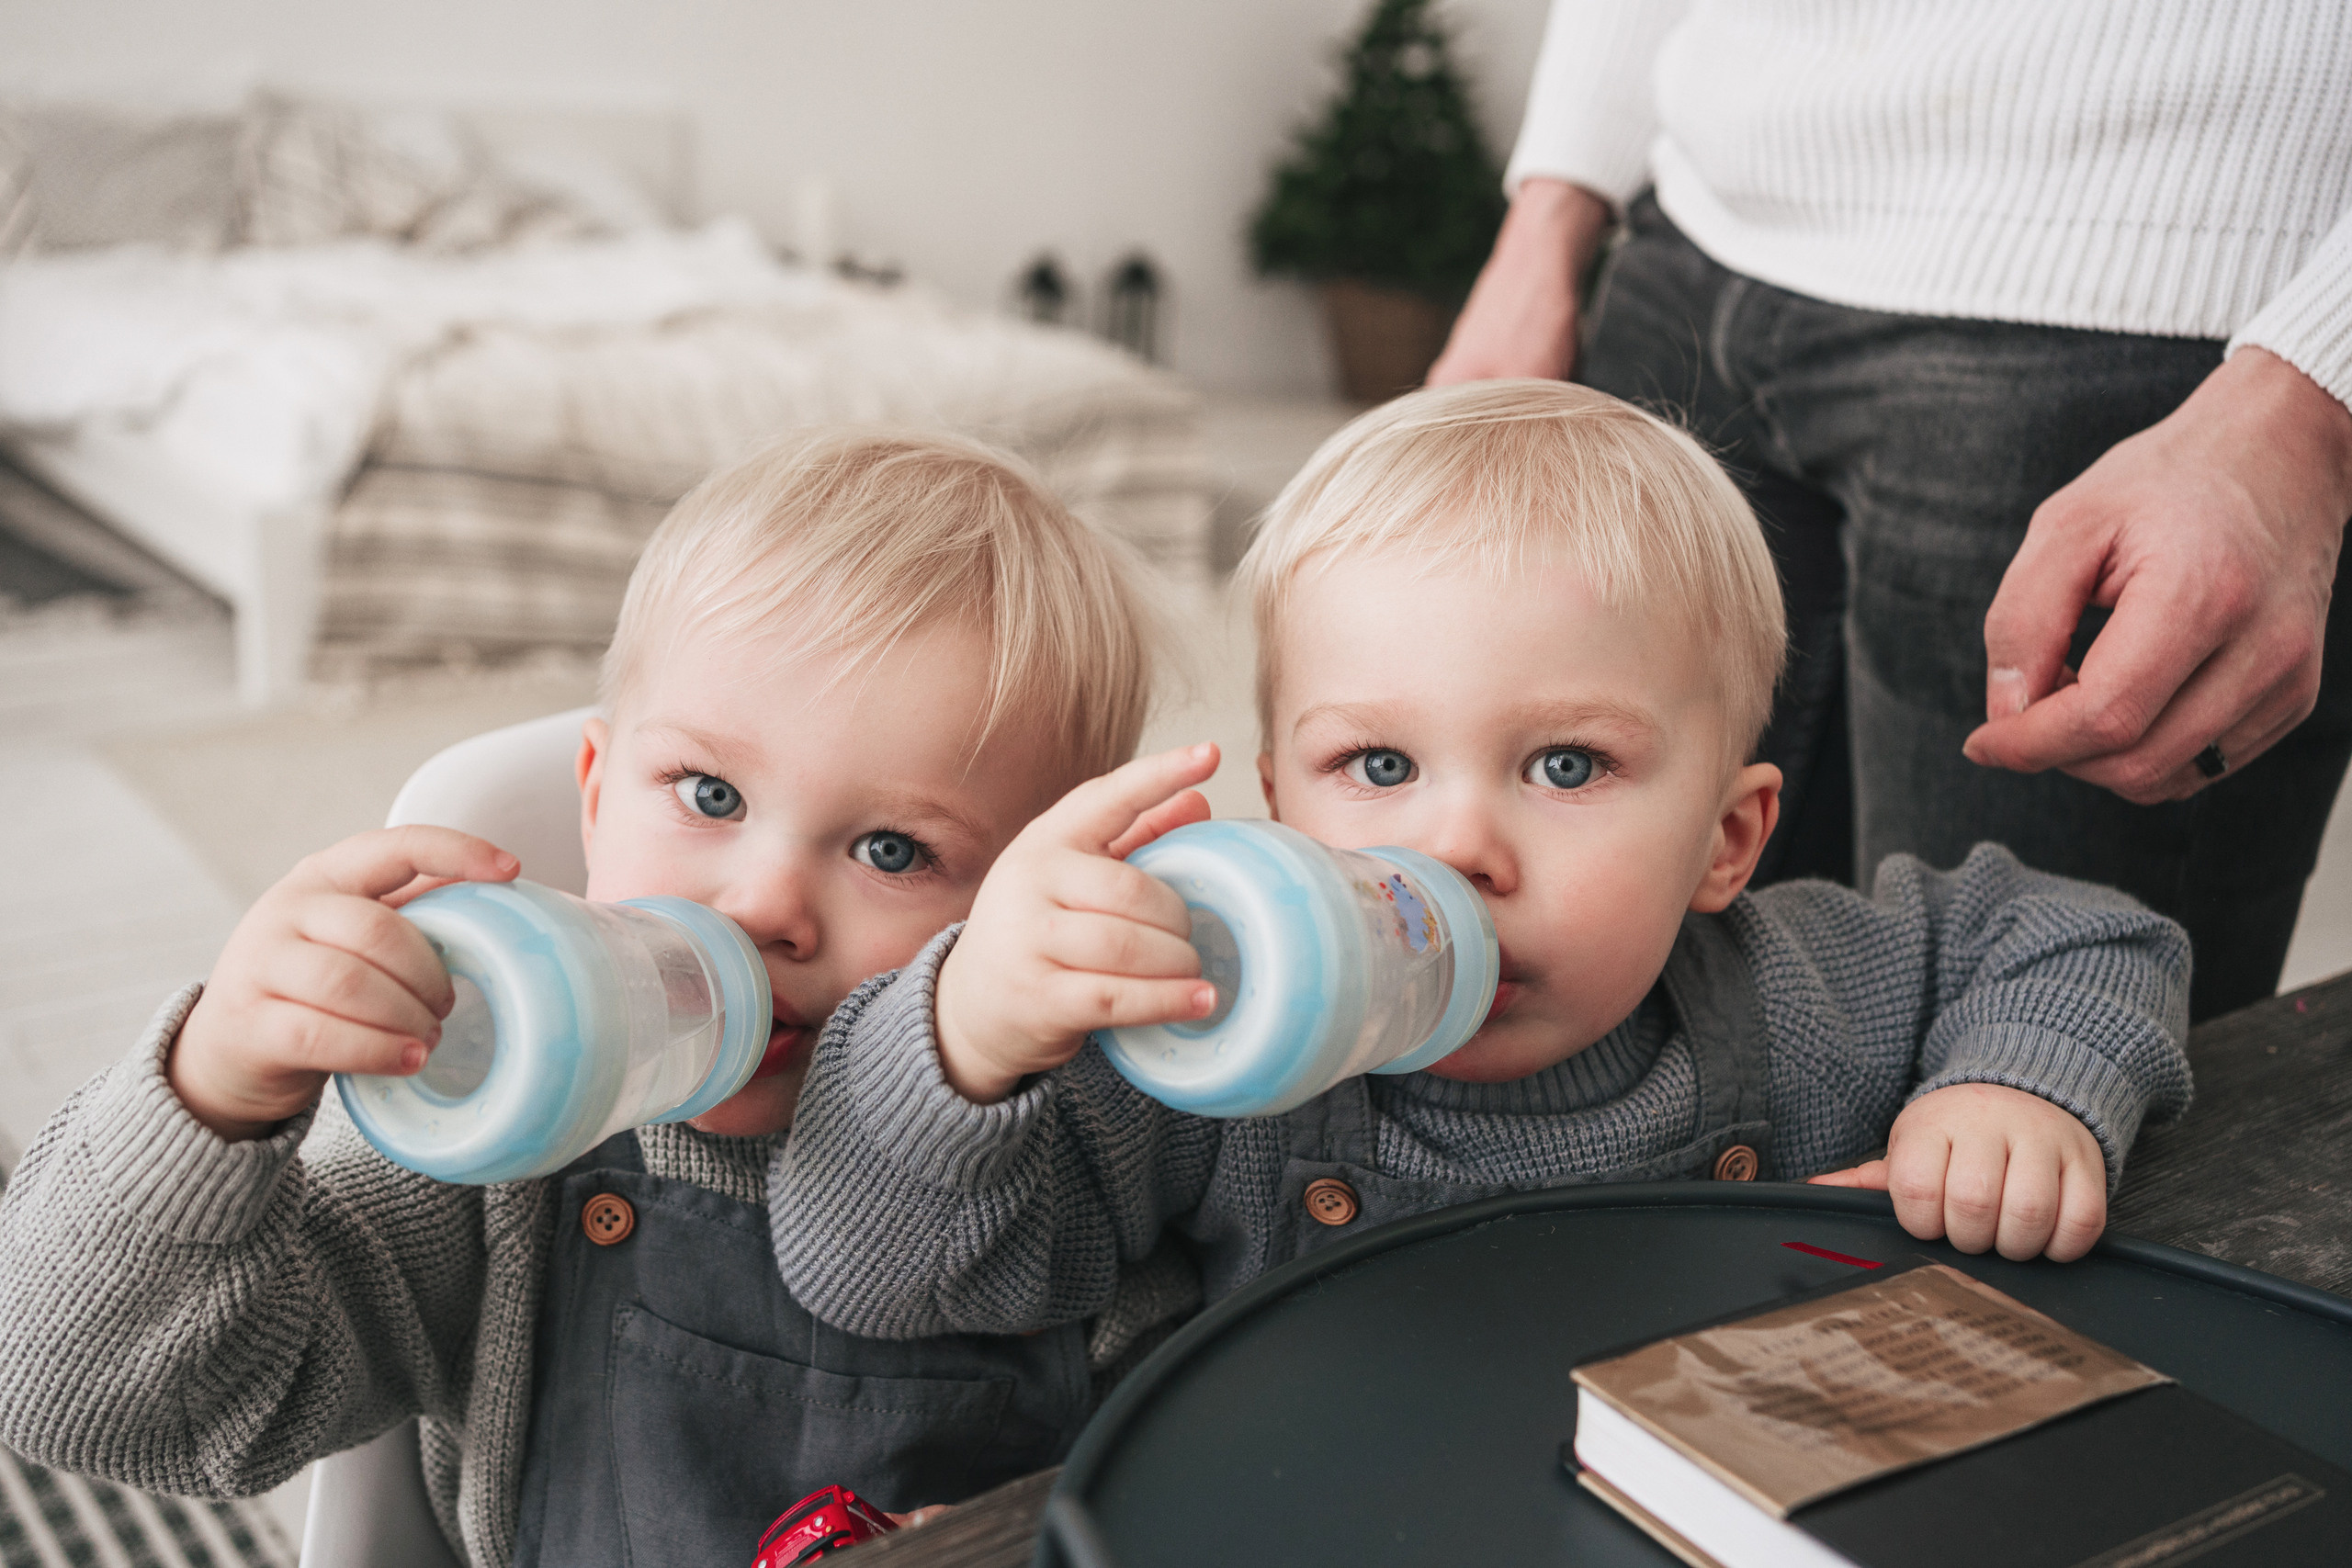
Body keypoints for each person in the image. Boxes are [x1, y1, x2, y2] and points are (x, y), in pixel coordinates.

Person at [769, 382, 2195, 1345]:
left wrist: (2013, 1088)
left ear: (1727, 839)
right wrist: (965, 1035)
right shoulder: (1214, 1066)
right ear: (1277, 806)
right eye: (1378, 765)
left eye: (1567, 765)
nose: (1457, 848)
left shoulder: (1805, 991)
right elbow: (868, 1275)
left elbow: (2086, 933)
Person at [0, 431, 1201, 1568]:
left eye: (894, 850)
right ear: (593, 793)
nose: (763, 905)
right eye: (711, 795)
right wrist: (213, 1094)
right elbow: (80, 1399)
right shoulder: (492, 1166)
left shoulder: (1087, 1157)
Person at [1427, 0, 2352, 1021]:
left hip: (2149, 321)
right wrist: (1551, 210)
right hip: (1684, 252)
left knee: (2027, 1046)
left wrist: (2315, 390)